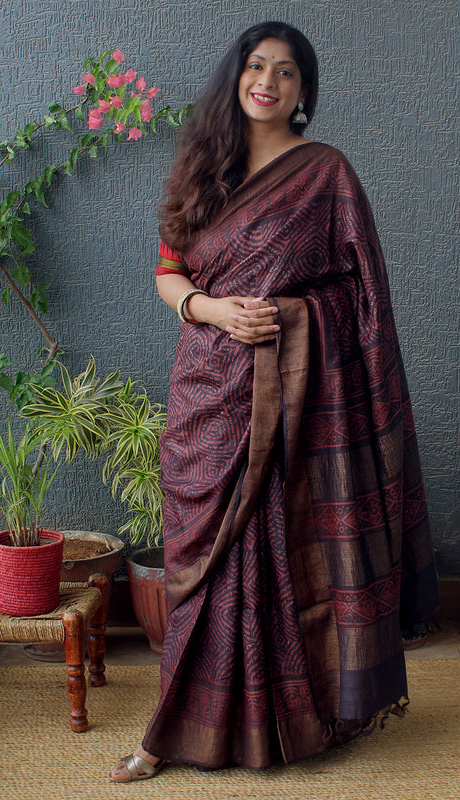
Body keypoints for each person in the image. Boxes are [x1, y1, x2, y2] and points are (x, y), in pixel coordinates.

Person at [110, 21, 440, 782]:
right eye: (256, 66)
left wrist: (294, 316)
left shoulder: (326, 175)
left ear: (303, 91)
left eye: (286, 72)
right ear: (236, 77)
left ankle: (296, 724)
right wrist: (213, 310)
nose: (268, 81)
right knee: (207, 571)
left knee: (286, 564)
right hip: (210, 395)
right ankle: (168, 733)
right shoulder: (203, 169)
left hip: (299, 402)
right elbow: (168, 274)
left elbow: (361, 300)